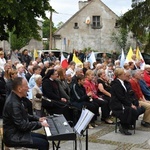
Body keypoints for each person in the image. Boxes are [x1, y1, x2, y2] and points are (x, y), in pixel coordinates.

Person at [3, 77, 49, 150]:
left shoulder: (16, 99)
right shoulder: (13, 103)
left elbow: (24, 115)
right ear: (19, 89)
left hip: (18, 132)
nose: (28, 89)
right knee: (43, 143)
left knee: (45, 138)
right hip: (14, 136)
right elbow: (22, 126)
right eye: (26, 86)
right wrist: (40, 124)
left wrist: (38, 119)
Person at [110, 68, 139, 135]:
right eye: (124, 74)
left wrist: (132, 102)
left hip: (121, 101)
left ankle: (127, 124)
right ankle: (124, 126)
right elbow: (121, 97)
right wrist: (130, 104)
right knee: (129, 109)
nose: (125, 75)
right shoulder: (116, 84)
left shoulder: (122, 82)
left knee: (134, 109)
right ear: (119, 75)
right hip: (117, 103)